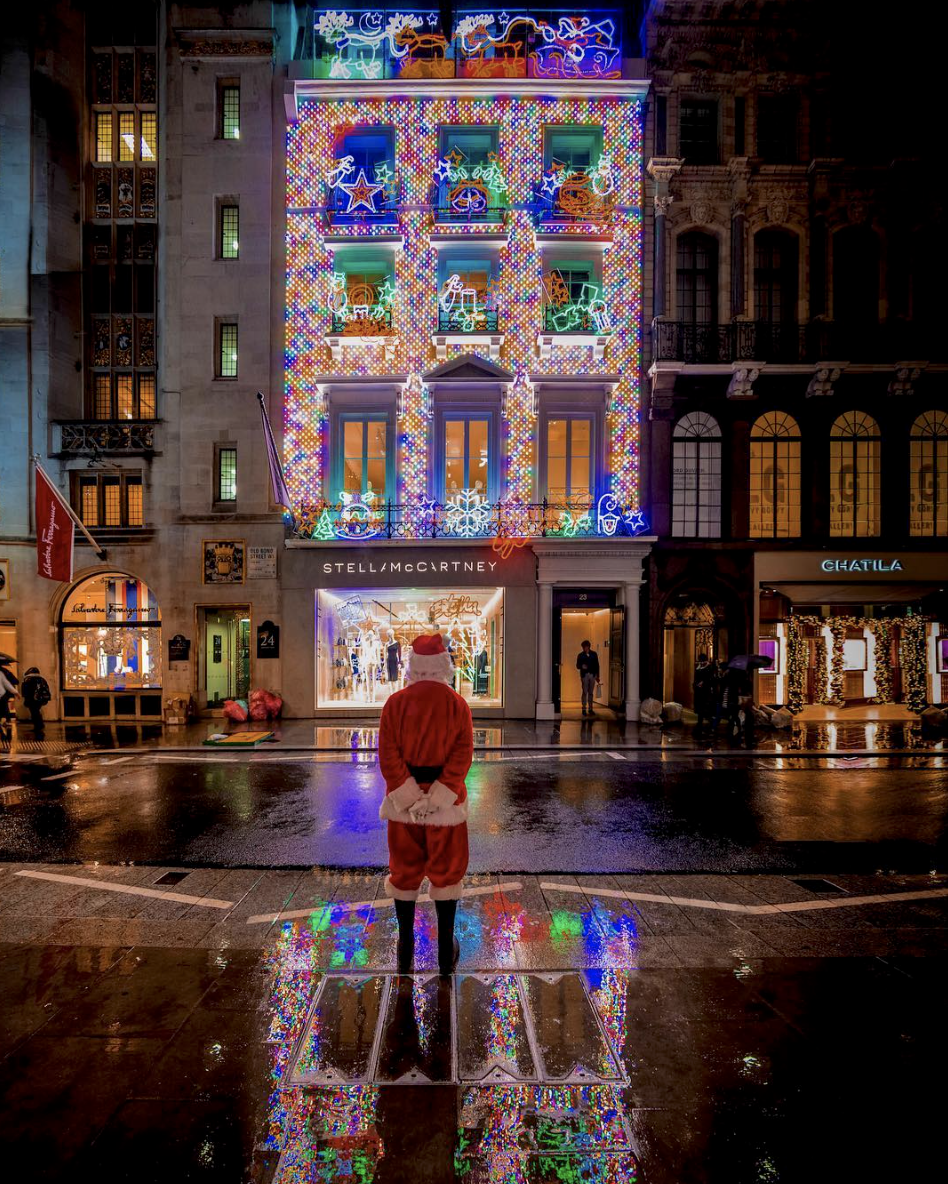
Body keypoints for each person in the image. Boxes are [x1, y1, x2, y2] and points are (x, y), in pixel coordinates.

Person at [378, 633, 473, 976]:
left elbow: (388, 755)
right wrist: (440, 795)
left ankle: (405, 944)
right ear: (444, 666)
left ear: (413, 667)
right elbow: (463, 754)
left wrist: (407, 794)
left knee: (404, 870)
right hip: (445, 807)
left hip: (403, 807)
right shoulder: (457, 704)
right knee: (447, 872)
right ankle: (445, 948)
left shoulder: (395, 703)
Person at [21, 668, 51, 738]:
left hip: (32, 699)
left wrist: (26, 700)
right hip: (40, 699)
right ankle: (40, 725)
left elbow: (26, 692)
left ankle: (38, 726)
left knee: (34, 712)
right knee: (36, 711)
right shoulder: (42, 679)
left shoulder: (28, 680)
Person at [692, 653, 715, 736]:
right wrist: (696, 684)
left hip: (705, 692)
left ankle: (708, 722)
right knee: (700, 709)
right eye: (700, 661)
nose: (701, 663)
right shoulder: (698, 668)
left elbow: (711, 680)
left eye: (702, 661)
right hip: (698, 692)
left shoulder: (709, 668)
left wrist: (704, 683)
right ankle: (700, 724)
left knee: (704, 709)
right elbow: (695, 679)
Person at [576, 640, 600, 717]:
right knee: (584, 692)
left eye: (586, 647)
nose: (585, 648)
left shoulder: (594, 654)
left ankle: (590, 709)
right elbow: (577, 665)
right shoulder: (580, 655)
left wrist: (597, 675)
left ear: (589, 646)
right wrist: (581, 666)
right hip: (585, 675)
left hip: (592, 675)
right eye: (583, 647)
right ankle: (583, 708)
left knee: (591, 692)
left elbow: (597, 665)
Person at [0, 662, 17, 733]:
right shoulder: (6, 671)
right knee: (5, 706)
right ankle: (8, 720)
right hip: (6, 693)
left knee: (3, 706)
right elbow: (16, 681)